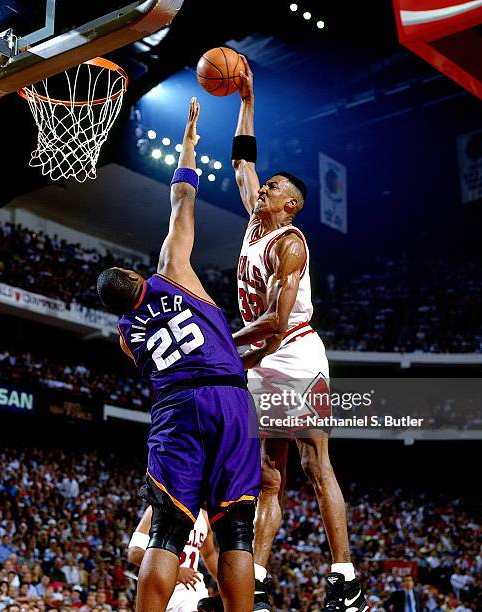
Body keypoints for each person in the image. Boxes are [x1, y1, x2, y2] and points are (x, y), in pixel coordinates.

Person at [97, 98, 261, 612]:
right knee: (235, 530)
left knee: (166, 531)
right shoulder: (172, 272)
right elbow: (182, 197)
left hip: (175, 408)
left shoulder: (127, 336)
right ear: (135, 277)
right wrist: (189, 139)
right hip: (228, 400)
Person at [230, 56, 366, 612]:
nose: (264, 188)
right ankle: (258, 578)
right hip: (261, 360)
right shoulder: (253, 220)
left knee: (315, 464)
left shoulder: (291, 242)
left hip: (296, 354)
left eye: (275, 187)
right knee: (266, 476)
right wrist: (246, 102)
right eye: (266, 185)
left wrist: (221, 338)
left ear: (292, 205)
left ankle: (344, 578)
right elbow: (242, 161)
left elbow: (277, 323)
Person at [128, 506, 218, 612]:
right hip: (161, 583)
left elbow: (209, 554)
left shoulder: (204, 517)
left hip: (191, 587)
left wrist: (233, 588)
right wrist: (175, 571)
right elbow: (134, 553)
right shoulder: (157, 507)